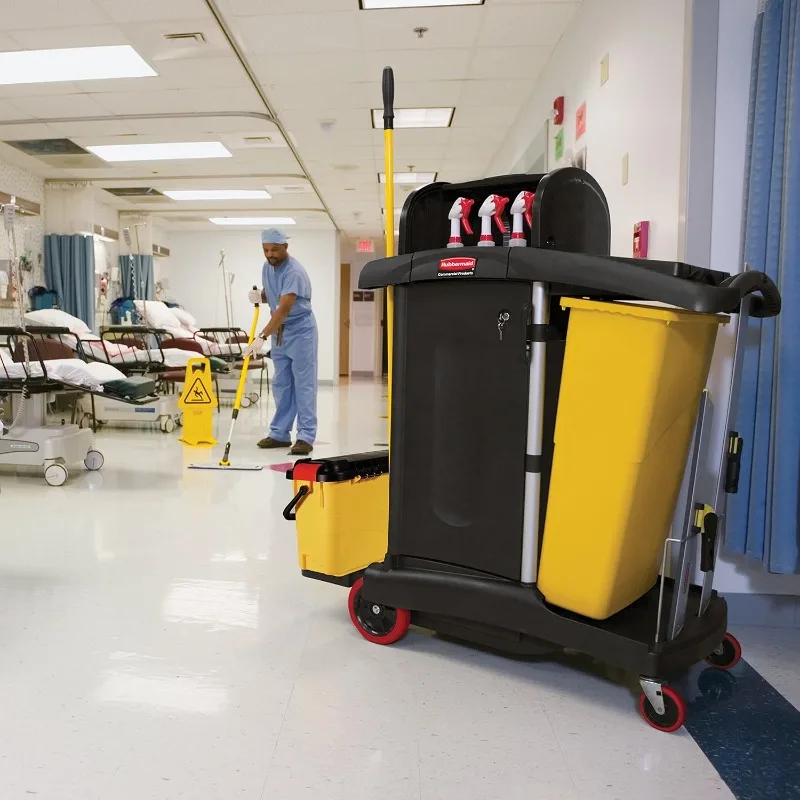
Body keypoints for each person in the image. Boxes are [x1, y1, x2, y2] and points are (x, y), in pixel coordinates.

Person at [242, 228, 318, 456]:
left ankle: (305, 436)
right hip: (280, 333)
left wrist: (261, 336)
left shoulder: (294, 271)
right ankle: (279, 433)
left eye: (275, 249)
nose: (270, 253)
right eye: (266, 249)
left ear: (285, 247)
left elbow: (284, 308)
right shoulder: (268, 267)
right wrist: (261, 297)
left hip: (300, 330)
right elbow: (275, 295)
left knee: (304, 385)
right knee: (281, 384)